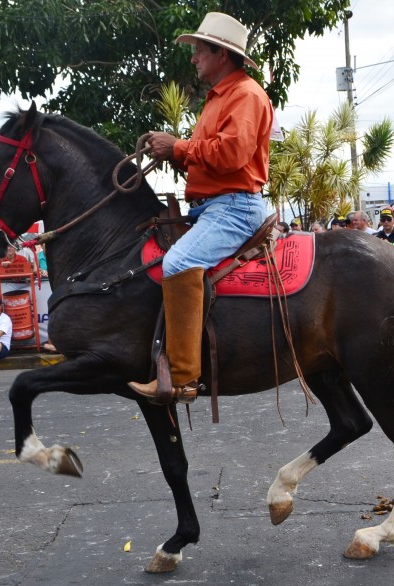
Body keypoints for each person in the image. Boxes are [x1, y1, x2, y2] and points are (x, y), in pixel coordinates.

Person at [128, 11, 270, 405]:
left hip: (235, 207)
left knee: (177, 262)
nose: (193, 58)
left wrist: (178, 147)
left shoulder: (245, 95)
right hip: (213, 206)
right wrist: (174, 153)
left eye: (200, 51)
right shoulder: (220, 97)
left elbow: (232, 154)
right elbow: (210, 160)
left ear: (221, 54)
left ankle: (183, 379)